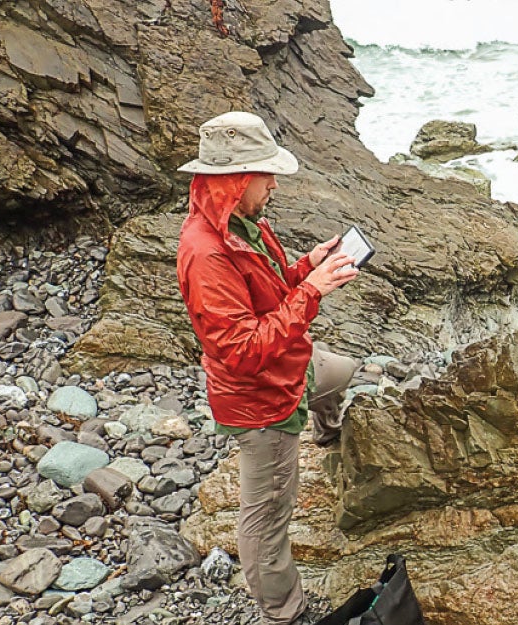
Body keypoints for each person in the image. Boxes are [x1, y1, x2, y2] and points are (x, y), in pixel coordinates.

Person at [175, 111, 360, 624]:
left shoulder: (243, 225)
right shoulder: (207, 254)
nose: (274, 184)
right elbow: (241, 349)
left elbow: (268, 295)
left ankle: (327, 429)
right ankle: (285, 611)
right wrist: (313, 290)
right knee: (265, 519)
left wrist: (306, 266)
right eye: (266, 174)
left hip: (291, 369)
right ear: (236, 180)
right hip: (260, 402)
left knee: (343, 370)